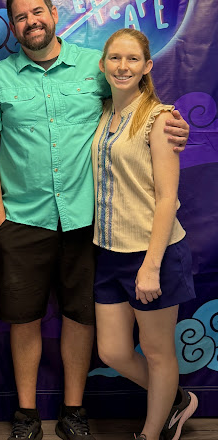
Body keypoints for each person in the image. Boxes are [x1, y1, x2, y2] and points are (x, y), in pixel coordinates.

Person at [0, 0, 190, 440]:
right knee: (24, 320)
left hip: (87, 222)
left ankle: (74, 411)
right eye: (20, 16)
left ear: (54, 13)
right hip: (22, 221)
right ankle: (27, 415)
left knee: (80, 317)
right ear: (12, 26)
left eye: (37, 12)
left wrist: (171, 124)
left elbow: (137, 106)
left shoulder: (95, 67)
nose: (31, 21)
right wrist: (0, 222)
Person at [92, 28, 197, 440]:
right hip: (109, 251)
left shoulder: (160, 118)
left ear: (147, 66)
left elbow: (168, 198)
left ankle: (151, 434)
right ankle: (175, 400)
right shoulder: (104, 113)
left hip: (153, 253)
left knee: (156, 352)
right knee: (113, 351)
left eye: (132, 59)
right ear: (103, 64)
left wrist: (151, 267)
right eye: (115, 58)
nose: (123, 66)